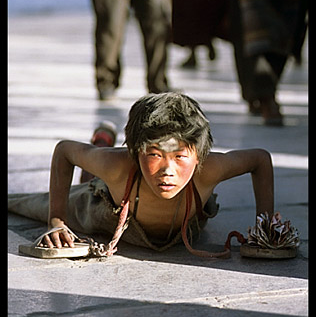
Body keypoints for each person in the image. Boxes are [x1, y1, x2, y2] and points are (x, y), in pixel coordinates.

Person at [8, 92, 275, 259]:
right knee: (73, 188)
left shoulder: (209, 169)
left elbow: (260, 159)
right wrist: (57, 221)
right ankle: (101, 143)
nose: (168, 170)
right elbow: (64, 151)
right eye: (155, 155)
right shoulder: (118, 165)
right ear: (135, 153)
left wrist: (265, 227)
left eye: (180, 157)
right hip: (108, 203)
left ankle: (102, 139)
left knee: (98, 169)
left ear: (198, 155)